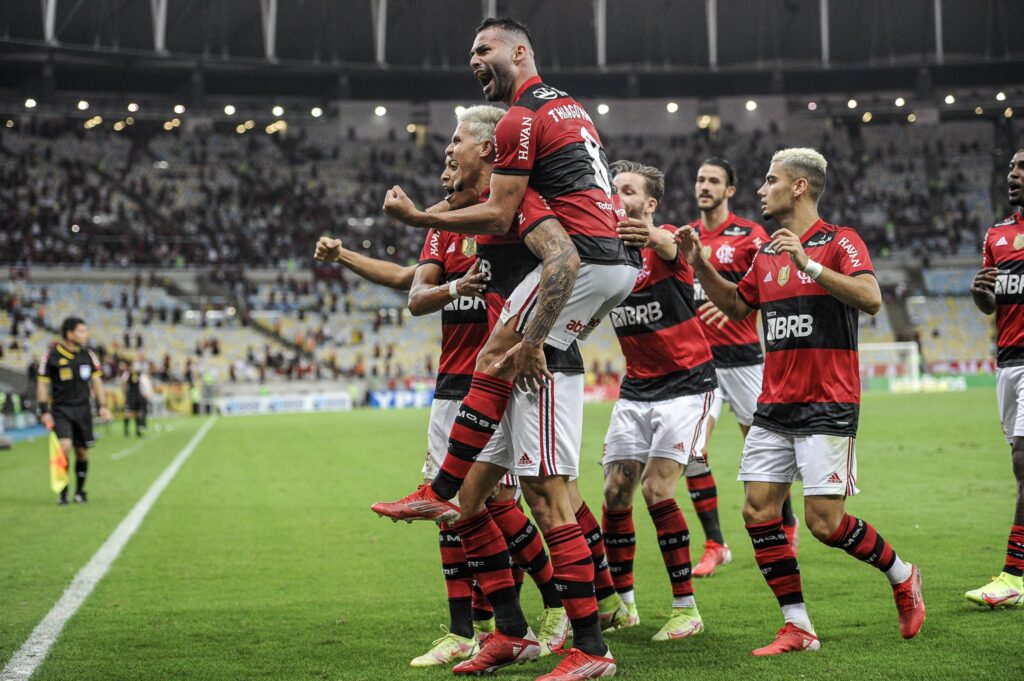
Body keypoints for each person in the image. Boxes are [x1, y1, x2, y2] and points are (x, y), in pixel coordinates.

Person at [316, 125, 570, 666]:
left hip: (494, 382)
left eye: (454, 153)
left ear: (486, 153)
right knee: (449, 507)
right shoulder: (443, 223)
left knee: (493, 503)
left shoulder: (510, 212)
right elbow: (414, 290)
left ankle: (550, 608)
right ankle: (469, 629)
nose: (444, 167)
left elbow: (558, 268)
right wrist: (349, 258)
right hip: (450, 381)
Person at [374, 15, 639, 521]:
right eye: (471, 55)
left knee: (498, 358)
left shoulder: (520, 117)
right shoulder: (571, 108)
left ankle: (438, 489)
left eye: (484, 49)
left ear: (519, 53)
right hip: (618, 265)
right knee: (547, 491)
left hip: (581, 257)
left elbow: (500, 211)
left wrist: (417, 217)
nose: (474, 61)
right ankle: (606, 596)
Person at [676, 148, 925, 655]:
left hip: (828, 402)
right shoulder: (767, 252)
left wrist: (808, 263)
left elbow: (871, 298)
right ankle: (798, 626)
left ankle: (903, 575)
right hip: (775, 403)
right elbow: (736, 305)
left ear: (799, 188)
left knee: (823, 524)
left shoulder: (840, 242)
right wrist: (699, 263)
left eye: (770, 181)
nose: (761, 190)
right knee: (757, 510)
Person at [599, 161, 716, 642]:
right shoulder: (604, 253)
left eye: (628, 190)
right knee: (613, 494)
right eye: (613, 188)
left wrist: (651, 234)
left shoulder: (664, 240)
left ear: (648, 204)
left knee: (657, 491)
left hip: (688, 386)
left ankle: (686, 608)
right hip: (637, 388)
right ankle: (625, 605)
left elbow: (667, 244)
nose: (618, 195)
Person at [686, 158, 798, 577]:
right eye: (700, 179)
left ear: (730, 190)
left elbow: (777, 285)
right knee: (693, 449)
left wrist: (736, 308)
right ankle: (715, 543)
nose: (705, 186)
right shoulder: (688, 237)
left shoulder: (751, 235)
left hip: (745, 361)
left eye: (714, 180)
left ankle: (786, 523)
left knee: (764, 450)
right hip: (697, 365)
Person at [967, 144, 1024, 607]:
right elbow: (993, 302)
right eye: (1011, 167)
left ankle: (1014, 575)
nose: (1014, 174)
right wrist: (981, 294)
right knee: (1018, 462)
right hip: (1007, 360)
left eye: (1023, 168)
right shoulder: (998, 234)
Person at [37, 316, 111, 505]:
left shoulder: (88, 355)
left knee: (82, 453)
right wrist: (44, 410)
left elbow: (96, 382)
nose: (85, 335)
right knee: (64, 447)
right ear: (69, 334)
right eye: (81, 331)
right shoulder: (52, 356)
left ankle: (79, 491)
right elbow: (43, 384)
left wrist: (103, 406)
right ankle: (63, 491)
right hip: (61, 410)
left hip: (83, 410)